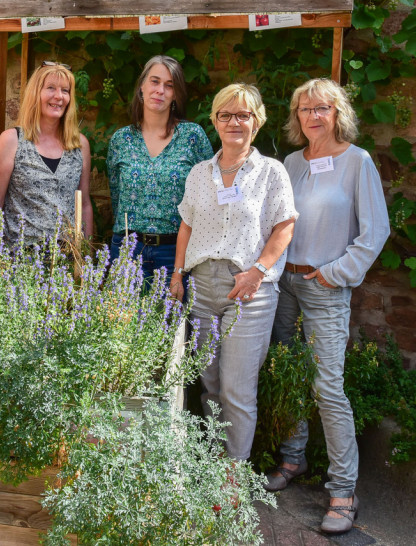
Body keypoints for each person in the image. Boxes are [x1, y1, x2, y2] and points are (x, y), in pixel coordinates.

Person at [264, 78, 390, 534]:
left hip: (323, 288)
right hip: (284, 288)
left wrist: (333, 273)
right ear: (296, 116)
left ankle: (343, 490)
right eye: (304, 108)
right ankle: (293, 459)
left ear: (337, 113)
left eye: (322, 108)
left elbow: (374, 232)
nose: (313, 116)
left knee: (326, 388)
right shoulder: (292, 163)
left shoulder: (358, 162)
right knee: (287, 376)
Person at [169, 83, 298, 461]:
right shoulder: (199, 173)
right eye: (225, 114)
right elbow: (187, 227)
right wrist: (177, 275)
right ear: (214, 121)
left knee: (237, 390)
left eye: (243, 115)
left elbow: (285, 226)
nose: (234, 122)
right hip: (203, 287)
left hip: (248, 291)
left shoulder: (271, 172)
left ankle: (232, 479)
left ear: (256, 122)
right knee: (208, 385)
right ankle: (212, 464)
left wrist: (258, 271)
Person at [107, 55, 213, 284]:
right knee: (123, 320)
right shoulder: (120, 140)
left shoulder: (192, 137)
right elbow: (116, 198)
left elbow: (207, 199)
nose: (160, 90)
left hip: (175, 252)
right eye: (155, 82)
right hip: (127, 249)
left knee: (171, 319)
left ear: (176, 94)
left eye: (169, 85)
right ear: (142, 87)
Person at [0, 61, 92, 243]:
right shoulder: (12, 140)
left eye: (65, 90)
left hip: (65, 259)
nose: (59, 96)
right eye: (51, 88)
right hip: (20, 259)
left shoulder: (79, 145)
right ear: (35, 93)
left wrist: (85, 256)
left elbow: (84, 205)